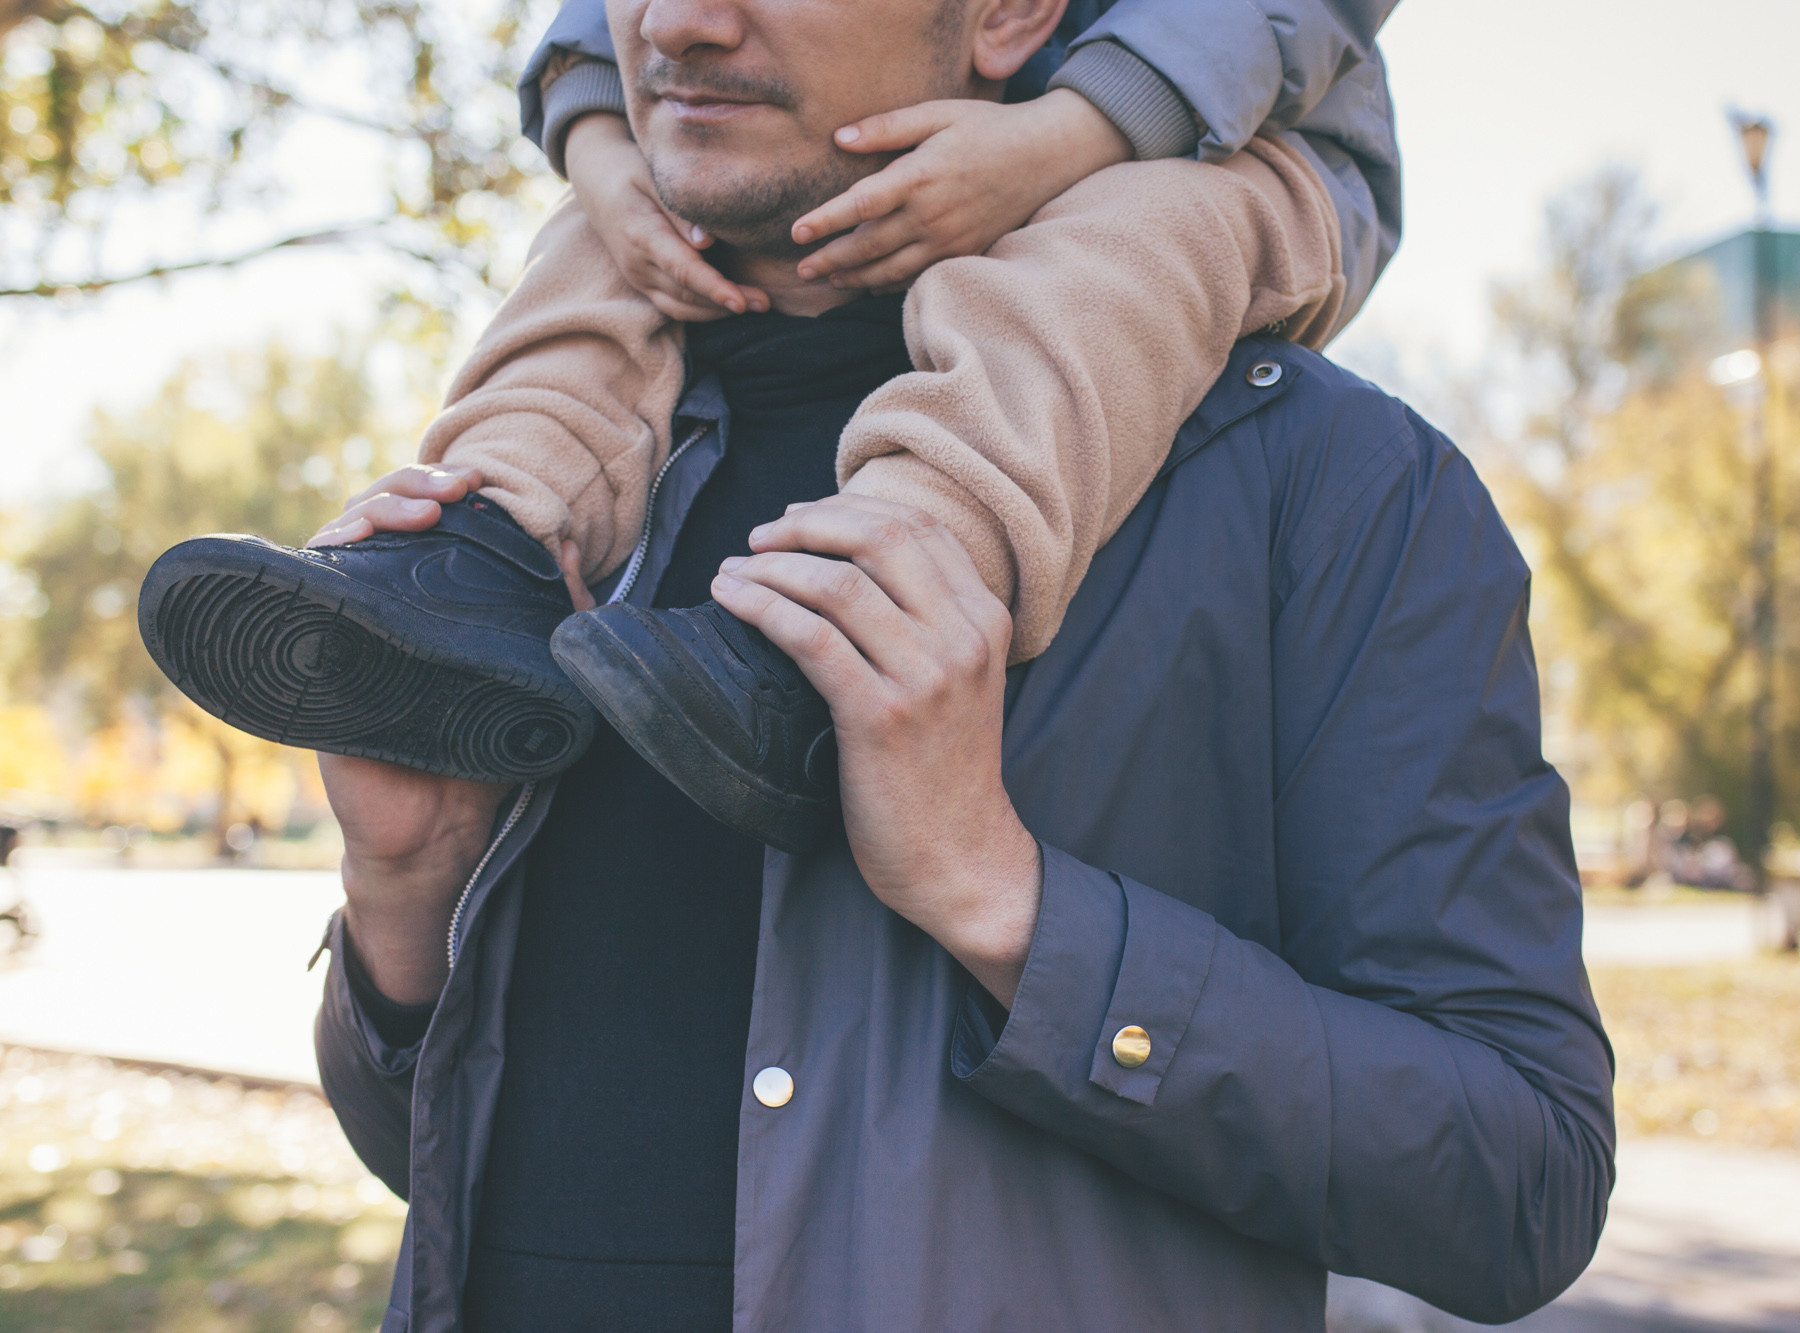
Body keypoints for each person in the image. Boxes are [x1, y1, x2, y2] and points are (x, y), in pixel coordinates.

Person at [309, 0, 1614, 1327]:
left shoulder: (1331, 490)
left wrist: (1006, 903)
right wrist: (405, 894)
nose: (684, 21)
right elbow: (436, 1158)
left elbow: (1522, 1188)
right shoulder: (550, 490)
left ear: (1007, 13)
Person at [134, 0, 1393, 852]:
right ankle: (494, 533)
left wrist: (1071, 132)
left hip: (1228, 137)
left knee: (1126, 242)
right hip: (836, 127)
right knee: (618, 239)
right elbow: (610, 32)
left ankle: (887, 578)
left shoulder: (1348, 484)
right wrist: (596, 144)